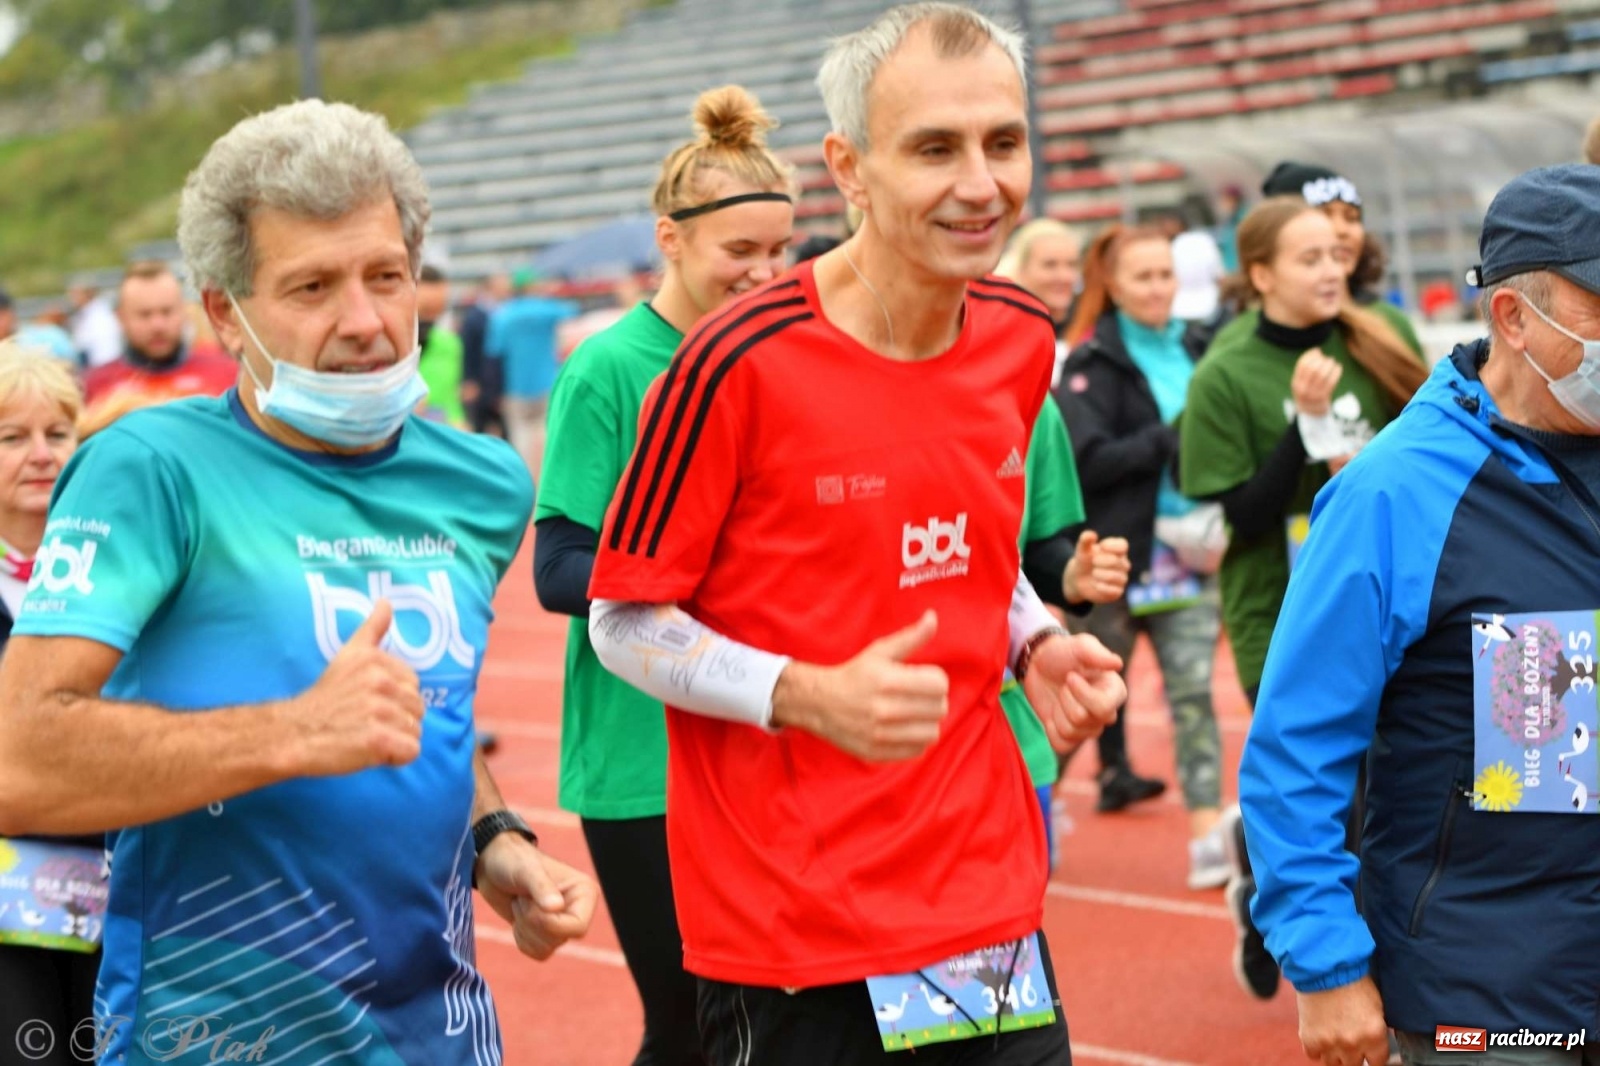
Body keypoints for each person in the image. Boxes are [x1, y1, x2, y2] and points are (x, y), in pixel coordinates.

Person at [0, 99, 597, 1064]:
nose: (364, 322)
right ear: (225, 314)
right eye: (313, 286)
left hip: (441, 1034)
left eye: (385, 276)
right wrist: (295, 732)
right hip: (216, 1040)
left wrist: (496, 836)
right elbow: (17, 763)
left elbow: (426, 703)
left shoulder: (483, 483)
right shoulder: (150, 470)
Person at [586, 6, 1127, 1064]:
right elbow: (622, 620)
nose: (981, 183)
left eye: (1003, 142)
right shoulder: (730, 363)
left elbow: (971, 544)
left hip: (980, 905)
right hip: (793, 930)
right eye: (934, 148)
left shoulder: (1020, 335)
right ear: (849, 169)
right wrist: (802, 693)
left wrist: (1033, 642)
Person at [1240, 164, 1600, 1066]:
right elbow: (1297, 744)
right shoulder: (1394, 494)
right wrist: (1324, 963)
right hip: (1489, 984)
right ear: (1514, 317)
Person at [534, 82, 796, 1066]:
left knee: (778, 1022)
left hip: (765, 739)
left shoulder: (784, 358)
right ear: (671, 240)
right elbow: (558, 567)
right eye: (740, 251)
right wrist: (695, 569)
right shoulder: (609, 369)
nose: (763, 273)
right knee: (688, 1030)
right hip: (645, 761)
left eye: (780, 252)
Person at [1179, 196, 1428, 1000]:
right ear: (1259, 275)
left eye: (1338, 256)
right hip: (1281, 613)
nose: (1331, 271)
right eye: (1309, 258)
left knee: (1393, 794)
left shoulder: (1379, 338)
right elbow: (1244, 518)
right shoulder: (1227, 372)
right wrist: (1306, 427)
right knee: (1329, 796)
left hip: (1389, 605)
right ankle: (1299, 927)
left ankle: (1340, 935)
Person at [1056, 224, 1226, 885]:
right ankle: (1028, 809)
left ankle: (1207, 838)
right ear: (1115, 286)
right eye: (1144, 277)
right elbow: (1087, 461)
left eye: (1165, 275)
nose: (1158, 288)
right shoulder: (1091, 365)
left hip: (1189, 556)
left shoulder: (1198, 346)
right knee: (1081, 704)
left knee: (1193, 696)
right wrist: (1167, 438)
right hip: (1118, 561)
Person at [0, 343, 101, 1066]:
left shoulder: (121, 564)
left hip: (115, 884)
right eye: (12, 437)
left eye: (57, 433)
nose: (41, 454)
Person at [80, 261, 237, 435]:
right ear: (121, 317)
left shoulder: (229, 375)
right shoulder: (94, 386)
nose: (157, 325)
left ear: (184, 311)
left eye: (166, 312)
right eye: (144, 314)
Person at [486, 268, 579, 481]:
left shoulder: (503, 314)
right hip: (547, 383)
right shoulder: (547, 309)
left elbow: (494, 352)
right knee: (550, 435)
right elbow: (573, 311)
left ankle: (524, 483)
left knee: (520, 440)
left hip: (516, 385)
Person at [998, 218, 1081, 384]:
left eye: (1071, 265)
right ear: (1021, 268)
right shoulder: (1002, 334)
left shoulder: (1089, 325)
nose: (1064, 276)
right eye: (1050, 265)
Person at [418, 264, 468, 427]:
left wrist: (458, 422)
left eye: (439, 308)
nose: (431, 319)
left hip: (440, 427)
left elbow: (450, 397)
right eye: (425, 310)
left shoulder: (450, 343)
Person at [65, 277, 122, 370]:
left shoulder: (98, 315)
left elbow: (83, 344)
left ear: (88, 293)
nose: (72, 298)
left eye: (76, 294)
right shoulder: (89, 313)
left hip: (102, 366)